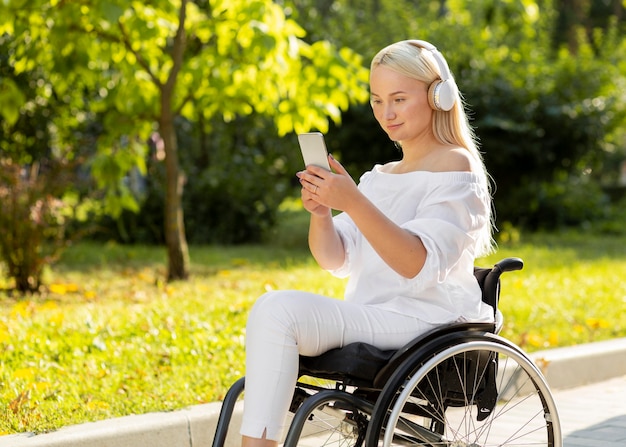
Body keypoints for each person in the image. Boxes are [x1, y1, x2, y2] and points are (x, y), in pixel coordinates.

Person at [240, 39, 495, 447]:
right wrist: (322, 212)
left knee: (279, 310)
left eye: (398, 98)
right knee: (273, 311)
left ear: (437, 97)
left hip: (425, 320)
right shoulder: (380, 176)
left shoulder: (455, 166)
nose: (386, 113)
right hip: (375, 314)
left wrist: (353, 202)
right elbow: (336, 258)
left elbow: (418, 264)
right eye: (377, 100)